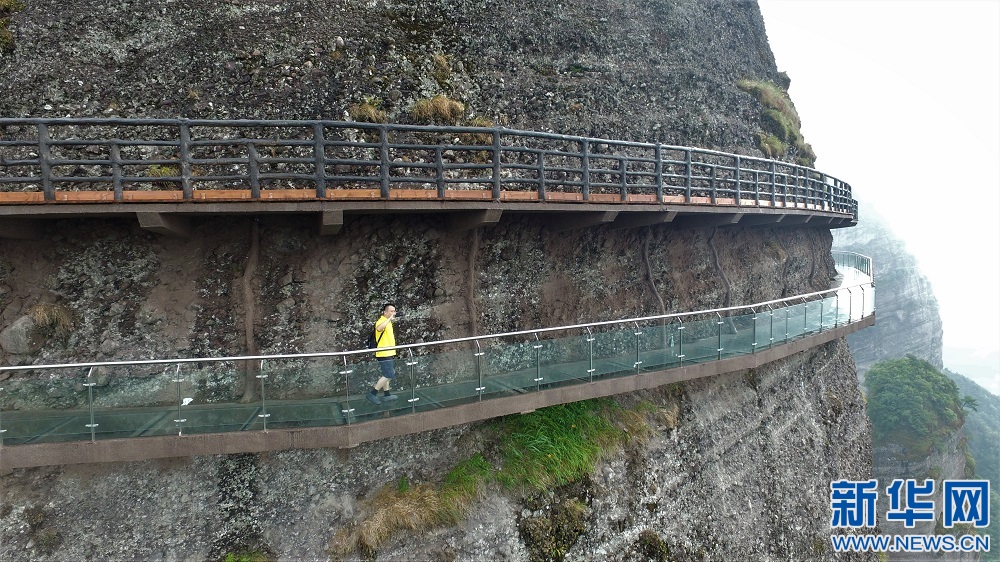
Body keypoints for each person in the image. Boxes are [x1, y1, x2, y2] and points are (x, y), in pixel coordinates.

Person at [366, 304, 399, 405]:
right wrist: (389, 319)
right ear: (385, 312)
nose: (394, 313)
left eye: (394, 311)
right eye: (391, 311)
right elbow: (379, 328)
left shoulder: (388, 322)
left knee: (387, 372)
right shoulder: (381, 321)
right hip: (383, 353)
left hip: (389, 352)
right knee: (389, 374)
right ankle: (372, 393)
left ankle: (387, 394)